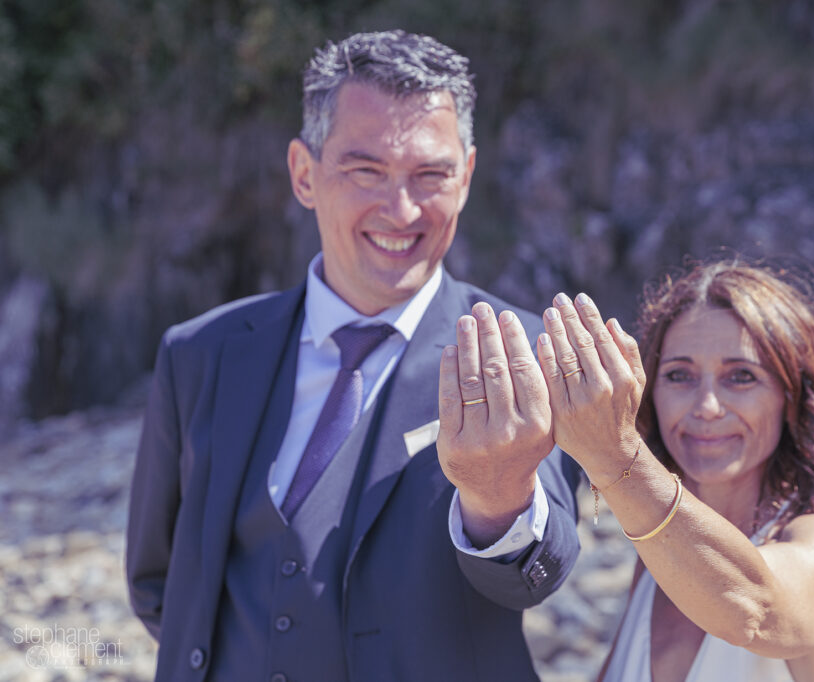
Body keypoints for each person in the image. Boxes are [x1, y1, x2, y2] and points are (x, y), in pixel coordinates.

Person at [125, 30, 581, 682]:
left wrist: (498, 496)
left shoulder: (523, 354)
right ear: (304, 174)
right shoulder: (199, 353)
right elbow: (161, 584)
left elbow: (536, 576)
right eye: (366, 171)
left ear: (468, 177)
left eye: (431, 175)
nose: (400, 211)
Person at [531, 259, 814, 681]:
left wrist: (614, 454)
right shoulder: (659, 559)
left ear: (791, 399)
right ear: (651, 391)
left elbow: (751, 610)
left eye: (741, 377)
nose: (706, 407)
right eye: (680, 375)